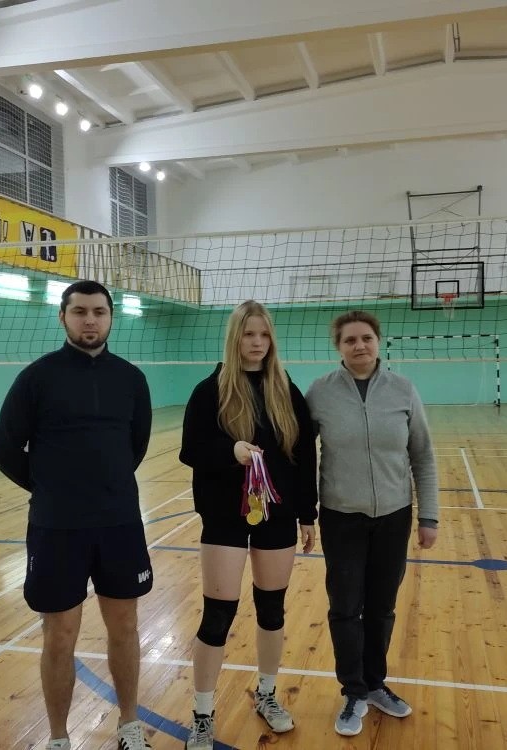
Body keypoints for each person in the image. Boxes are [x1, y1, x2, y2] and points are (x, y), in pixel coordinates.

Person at [0, 280, 154, 750]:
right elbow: (5, 450)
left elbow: (135, 447)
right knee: (60, 635)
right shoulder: (36, 378)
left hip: (119, 524)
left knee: (125, 626)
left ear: (110, 317)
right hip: (56, 527)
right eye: (80, 311)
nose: (90, 320)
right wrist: (52, 489)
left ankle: (129, 726)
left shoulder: (131, 379)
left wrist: (105, 486)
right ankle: (59, 738)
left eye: (99, 311)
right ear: (62, 316)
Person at [178, 300, 318, 750]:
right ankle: (203, 715)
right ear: (235, 337)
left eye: (264, 334)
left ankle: (267, 694)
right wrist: (230, 451)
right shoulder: (210, 390)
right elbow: (190, 450)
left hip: (277, 516)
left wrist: (307, 513)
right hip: (225, 517)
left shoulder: (286, 390)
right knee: (218, 614)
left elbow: (304, 455)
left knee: (272, 610)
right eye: (248, 334)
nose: (257, 342)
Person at [305, 310, 439, 737]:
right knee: (345, 607)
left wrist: (429, 516)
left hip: (394, 516)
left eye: (366, 338)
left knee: (382, 607)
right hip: (341, 517)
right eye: (350, 340)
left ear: (378, 341)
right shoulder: (320, 393)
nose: (359, 345)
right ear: (339, 347)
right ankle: (353, 690)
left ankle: (376, 684)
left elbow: (422, 455)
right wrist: (304, 512)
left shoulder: (403, 390)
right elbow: (301, 454)